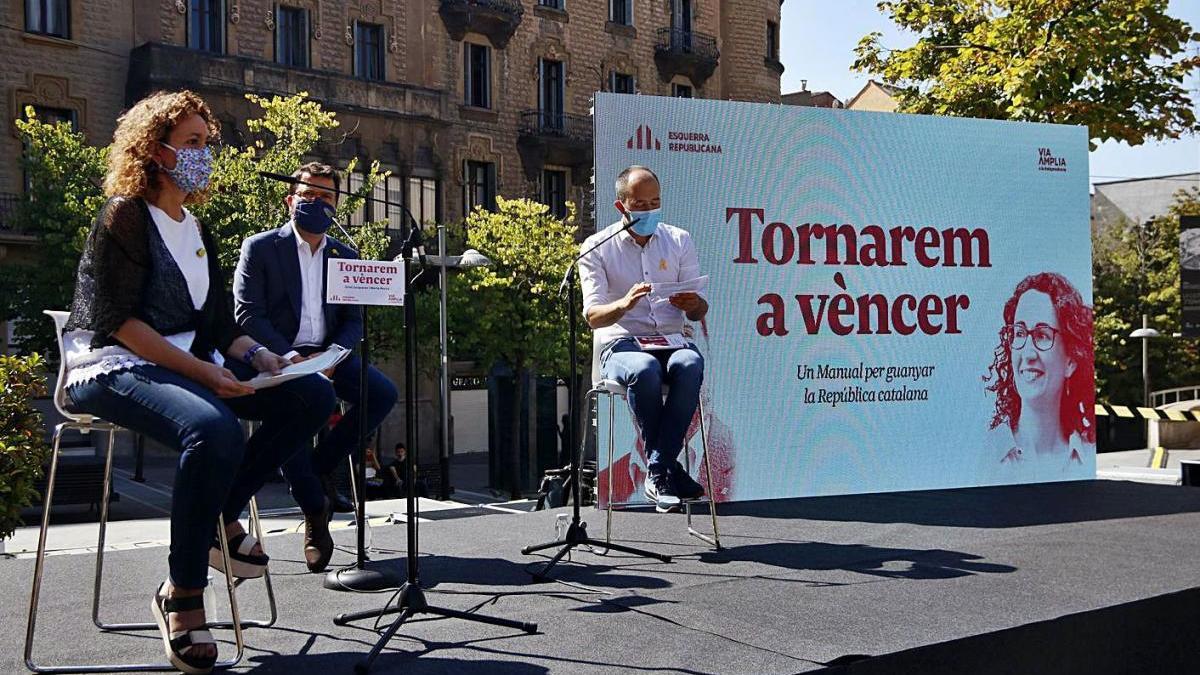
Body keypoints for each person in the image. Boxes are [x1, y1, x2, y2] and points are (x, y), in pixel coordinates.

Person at [61, 90, 336, 673]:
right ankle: (182, 593)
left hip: (187, 358)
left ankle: (220, 514)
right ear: (153, 150)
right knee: (213, 430)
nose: (202, 155)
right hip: (113, 364)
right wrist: (207, 373)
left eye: (206, 144)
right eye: (191, 143)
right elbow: (117, 321)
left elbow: (217, 325)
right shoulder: (125, 215)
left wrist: (262, 357)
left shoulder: (196, 228)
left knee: (312, 395)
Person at [233, 162, 399, 573]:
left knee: (382, 393)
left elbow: (353, 322)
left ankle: (321, 467)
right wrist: (291, 359)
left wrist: (331, 358)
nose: (316, 202)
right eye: (308, 194)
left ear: (337, 205)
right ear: (291, 199)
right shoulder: (260, 247)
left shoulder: (347, 255)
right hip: (274, 357)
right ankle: (314, 511)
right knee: (302, 407)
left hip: (327, 357)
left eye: (326, 196)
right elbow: (247, 315)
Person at [577, 165, 709, 512]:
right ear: (622, 206)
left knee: (691, 363)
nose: (649, 211)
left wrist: (694, 304)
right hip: (621, 344)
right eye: (641, 204)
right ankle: (666, 469)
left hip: (669, 339)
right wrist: (624, 303)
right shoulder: (596, 247)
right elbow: (593, 317)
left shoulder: (678, 240)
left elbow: (697, 312)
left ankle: (658, 468)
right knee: (645, 369)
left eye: (656, 203)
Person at [984, 272, 1095, 474]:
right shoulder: (983, 457)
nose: (1027, 353)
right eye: (1019, 333)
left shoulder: (1089, 457)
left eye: (1042, 335)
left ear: (1071, 360)